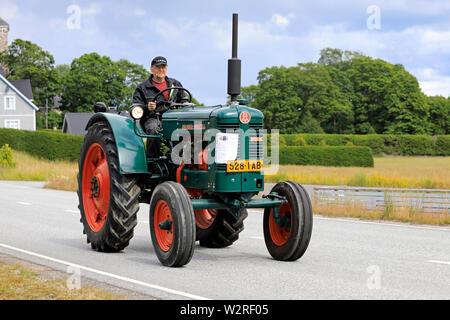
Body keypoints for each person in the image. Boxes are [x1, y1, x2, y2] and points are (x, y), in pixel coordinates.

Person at [132, 56, 188, 158]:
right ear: (152, 69)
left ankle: (184, 160)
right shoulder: (143, 87)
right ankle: (153, 161)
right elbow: (135, 108)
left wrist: (184, 105)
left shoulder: (175, 84)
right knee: (154, 130)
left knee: (189, 128)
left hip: (173, 118)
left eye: (163, 67)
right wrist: (147, 107)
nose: (161, 70)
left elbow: (183, 100)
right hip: (153, 118)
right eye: (158, 67)